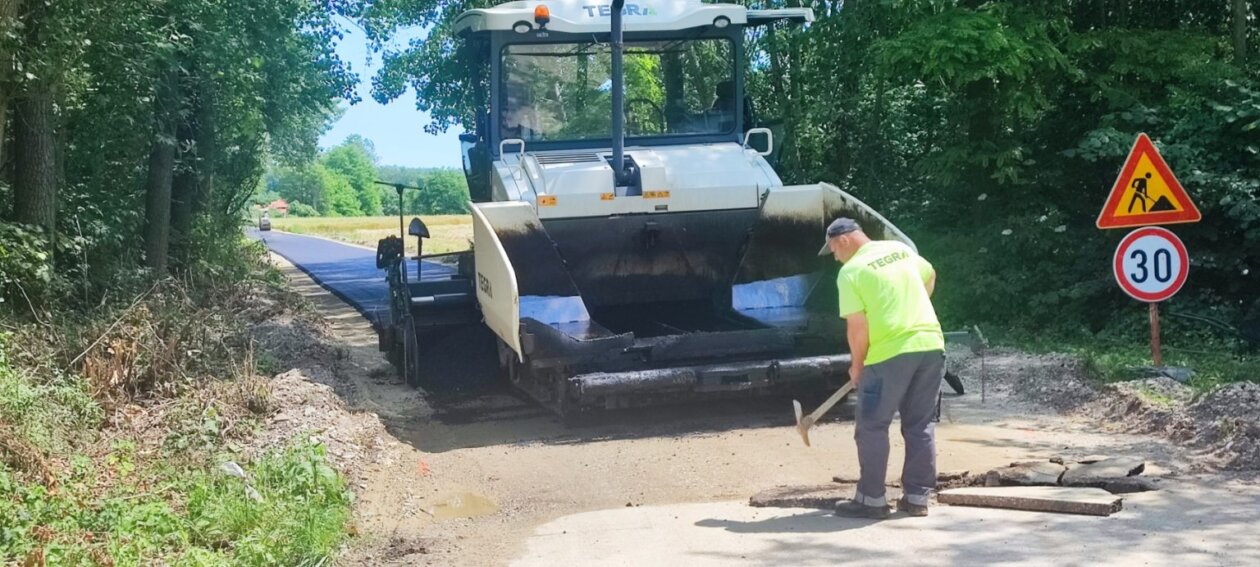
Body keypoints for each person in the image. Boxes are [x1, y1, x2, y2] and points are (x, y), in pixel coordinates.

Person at [819, 217, 945, 519]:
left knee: (872, 425)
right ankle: (916, 498)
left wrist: (857, 365)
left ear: (845, 240)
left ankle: (871, 499)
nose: (835, 257)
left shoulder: (851, 272)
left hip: (889, 353)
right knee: (920, 425)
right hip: (930, 346)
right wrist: (911, 306)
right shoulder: (899, 249)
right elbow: (930, 275)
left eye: (834, 250)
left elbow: (857, 328)